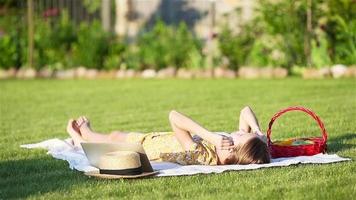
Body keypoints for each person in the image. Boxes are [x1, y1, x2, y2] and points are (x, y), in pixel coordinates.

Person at [67, 106, 270, 165]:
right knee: (115, 134)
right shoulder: (231, 148)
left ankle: (81, 135)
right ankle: (83, 135)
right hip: (153, 139)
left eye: (239, 136)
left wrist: (210, 136)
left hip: (143, 148)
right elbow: (245, 110)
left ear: (230, 150)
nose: (237, 132)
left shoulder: (201, 155)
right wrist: (258, 132)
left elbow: (174, 116)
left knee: (111, 139)